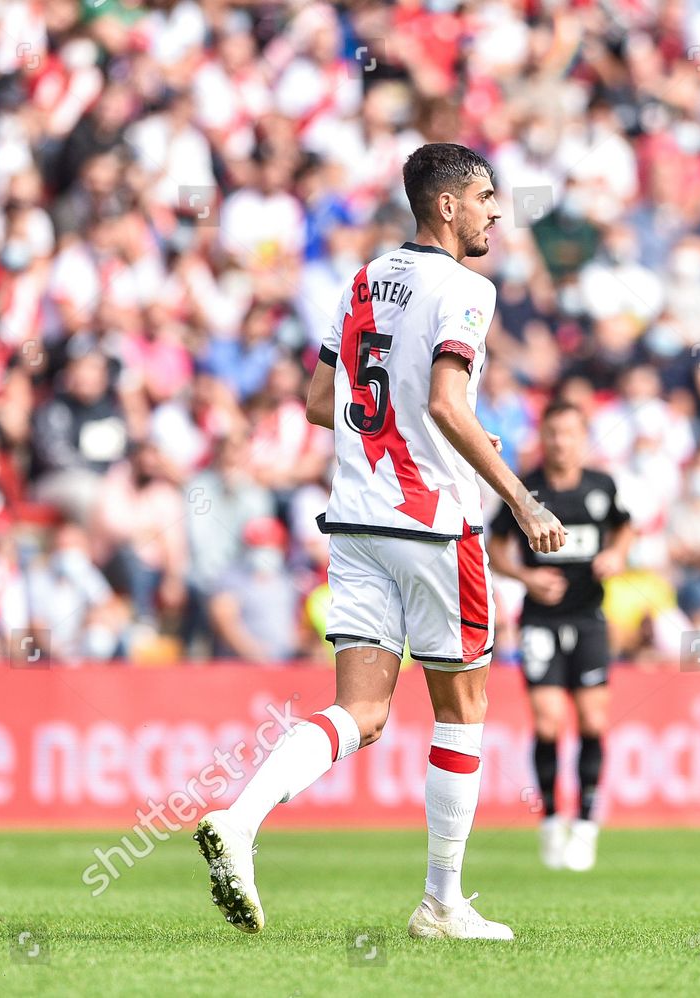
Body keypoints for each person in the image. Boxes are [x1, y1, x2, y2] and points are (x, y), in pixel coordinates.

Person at [195, 143, 565, 940]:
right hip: (434, 522)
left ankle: (242, 818)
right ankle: (441, 903)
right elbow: (445, 403)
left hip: (358, 518)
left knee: (361, 712)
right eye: (486, 197)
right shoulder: (469, 288)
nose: (497, 212)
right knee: (462, 707)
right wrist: (522, 500)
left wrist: (420, 430)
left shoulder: (361, 280)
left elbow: (319, 403)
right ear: (447, 207)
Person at [488, 401, 631, 872]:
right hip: (541, 621)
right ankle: (551, 821)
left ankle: (586, 825)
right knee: (548, 723)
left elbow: (624, 528)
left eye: (569, 433)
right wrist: (527, 580)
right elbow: (494, 546)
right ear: (543, 437)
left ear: (582, 436)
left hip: (589, 618)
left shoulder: (600, 486)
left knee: (592, 721)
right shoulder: (527, 489)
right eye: (552, 433)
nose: (560, 442)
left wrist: (616, 556)